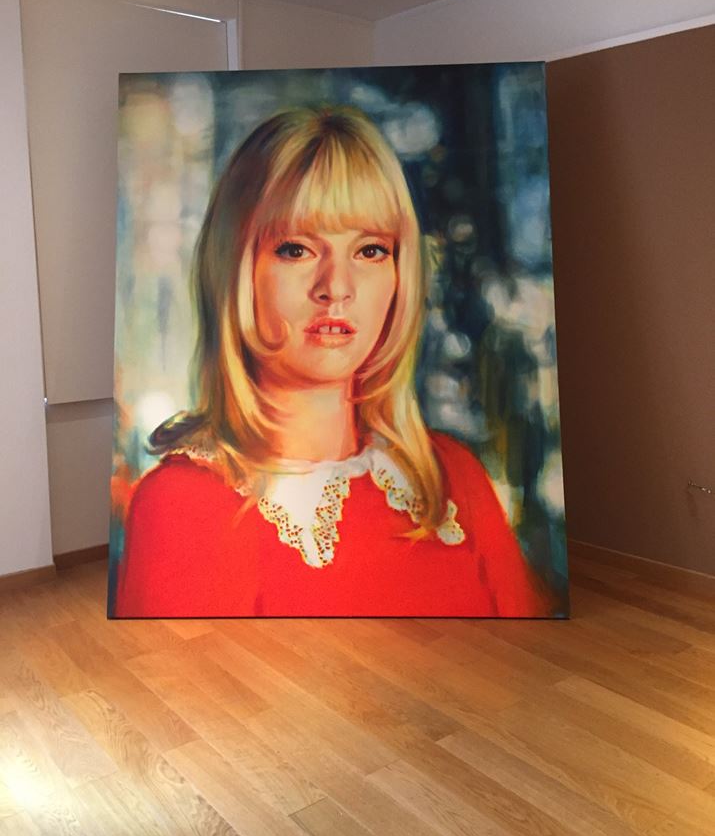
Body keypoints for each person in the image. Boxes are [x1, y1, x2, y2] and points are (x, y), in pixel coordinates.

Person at [113, 106, 553, 618]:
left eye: (370, 250)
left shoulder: (453, 478)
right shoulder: (181, 504)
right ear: (234, 269)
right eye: (296, 249)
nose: (337, 288)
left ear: (400, 274)